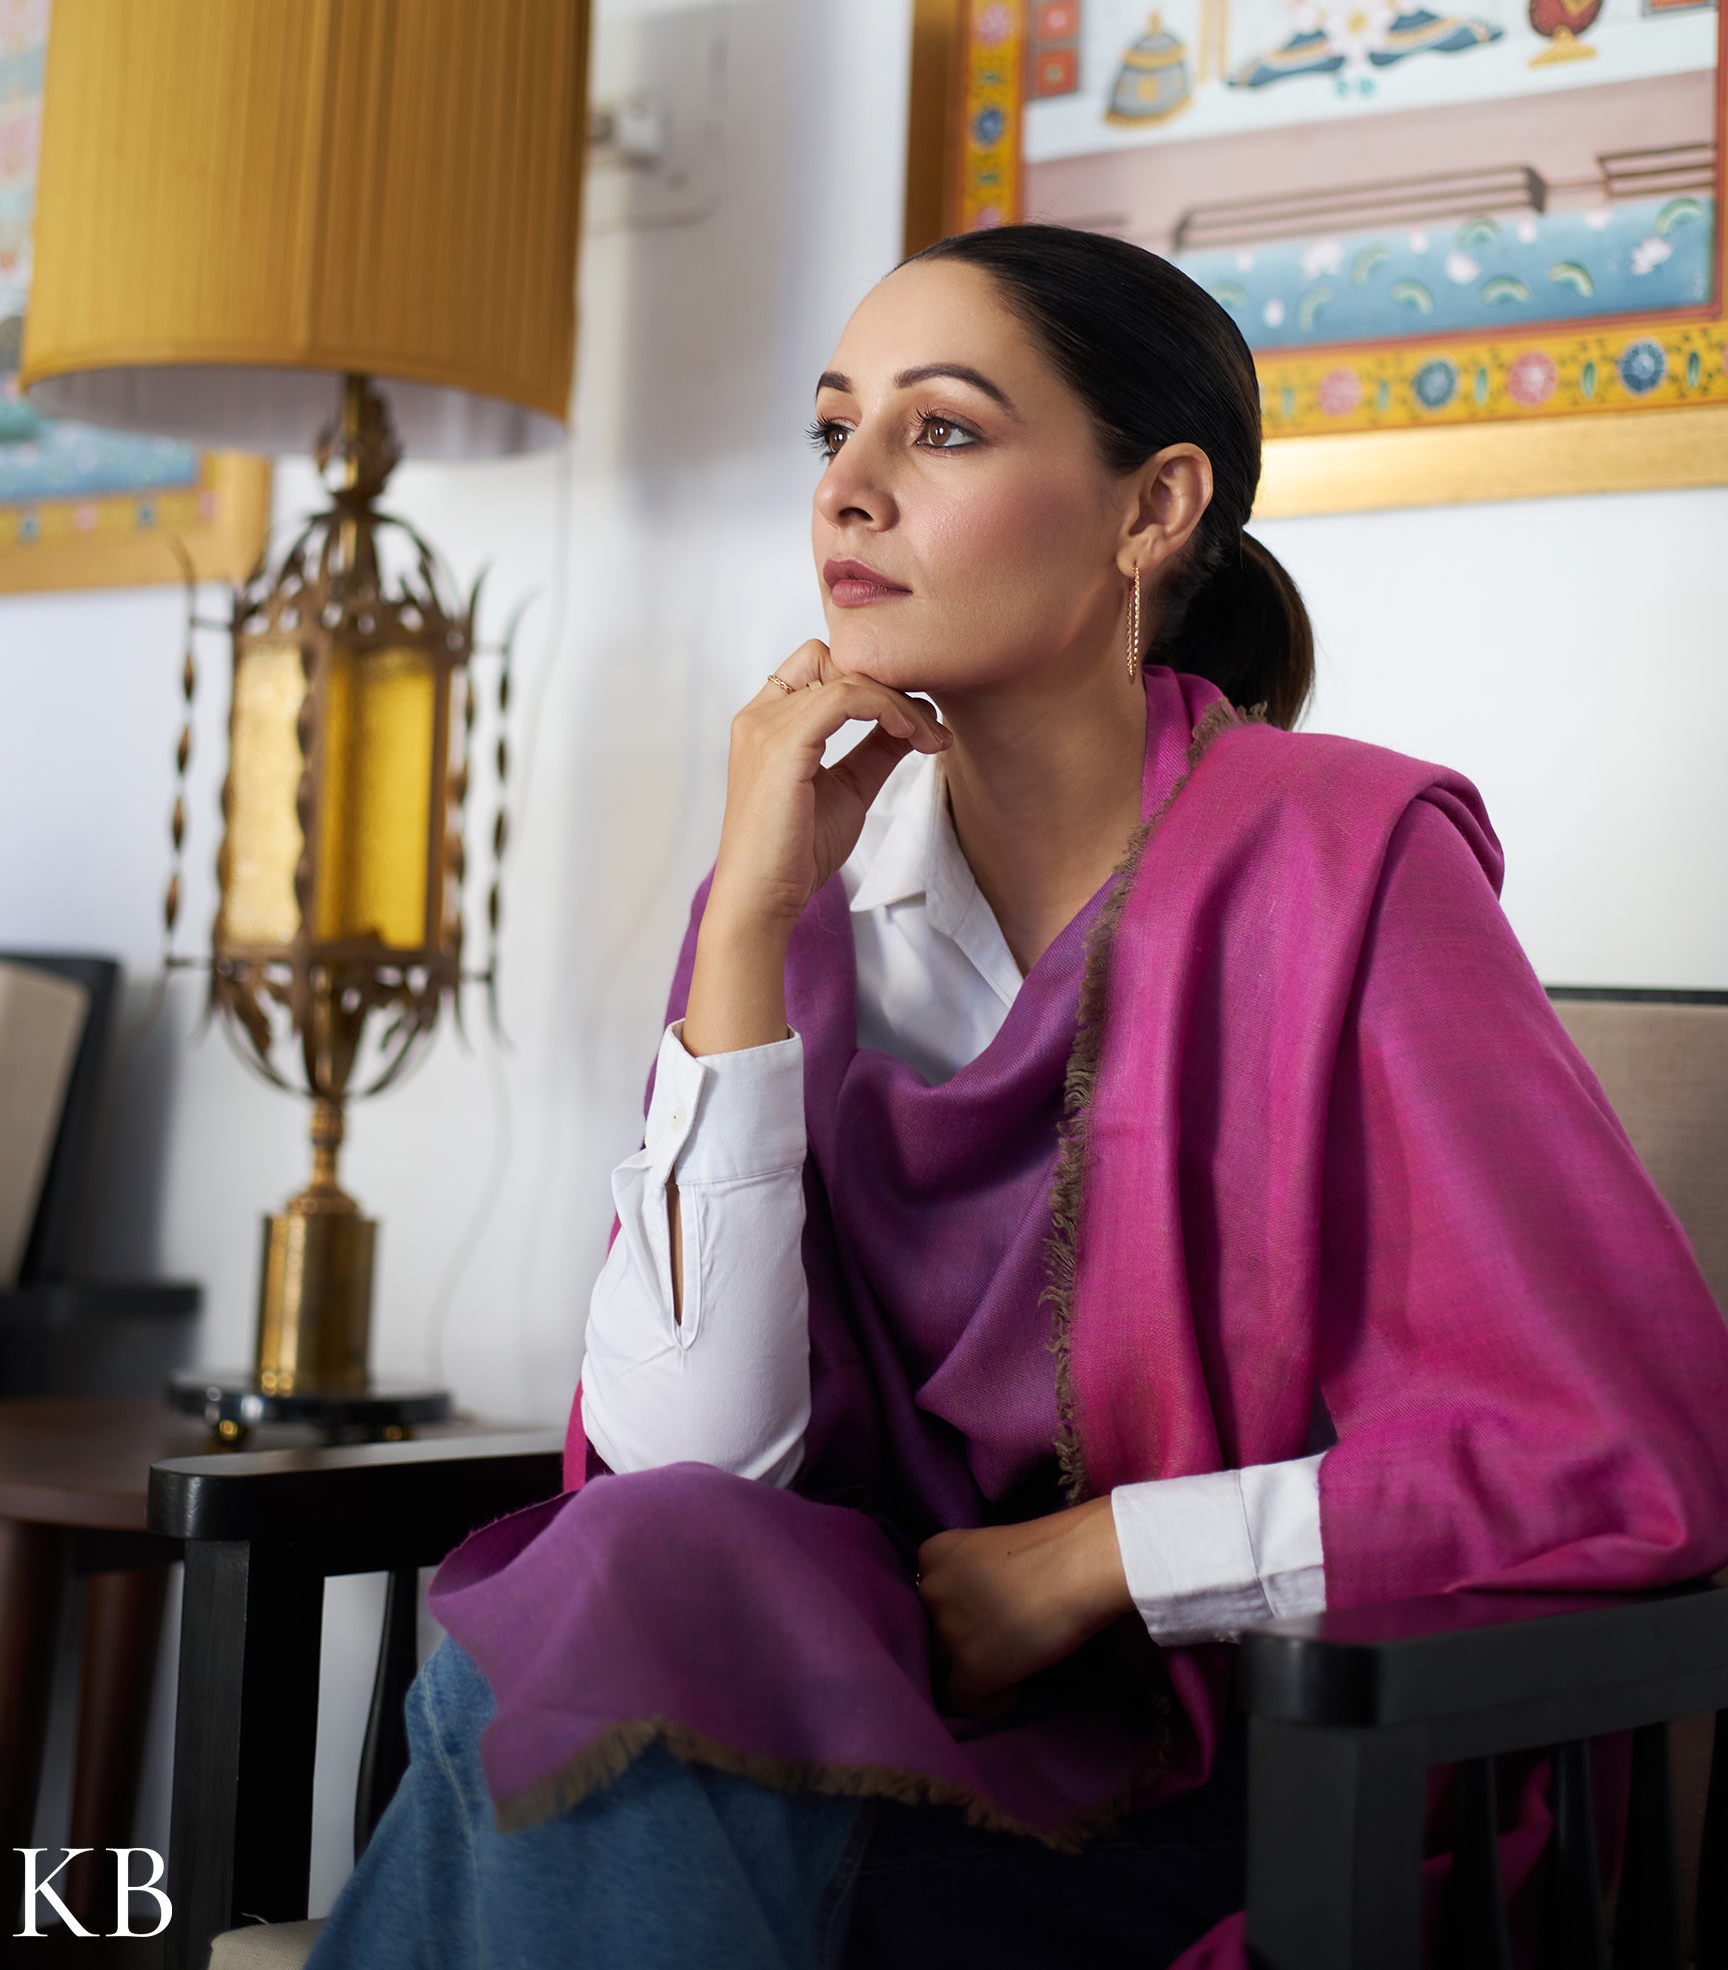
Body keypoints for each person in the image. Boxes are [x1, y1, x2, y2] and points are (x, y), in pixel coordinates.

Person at [309, 225, 1728, 1970]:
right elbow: (682, 1484)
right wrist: (746, 930)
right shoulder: (802, 903)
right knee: (626, 1588)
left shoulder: (1347, 863)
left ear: (1155, 510)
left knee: (552, 1722)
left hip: (1273, 1774)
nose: (849, 490)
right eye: (832, 429)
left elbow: (1612, 1459)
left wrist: (1101, 1557)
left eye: (943, 429)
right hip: (859, 1724)